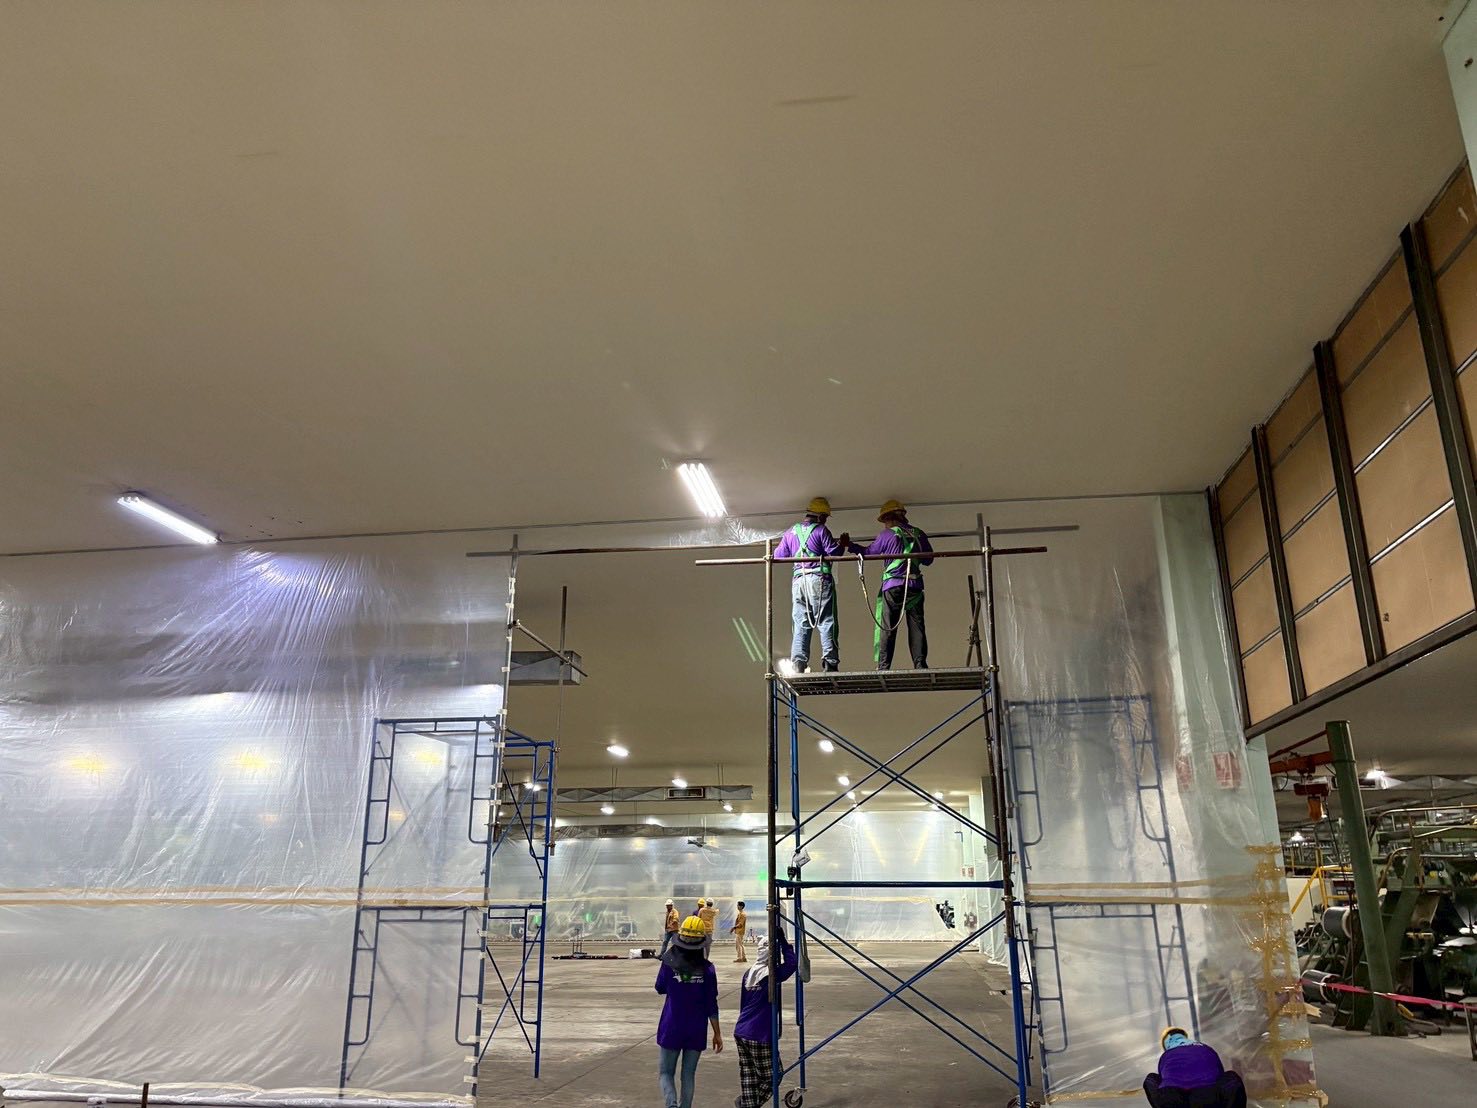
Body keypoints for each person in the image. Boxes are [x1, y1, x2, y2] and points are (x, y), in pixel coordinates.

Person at [850, 500, 933, 670]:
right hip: (914, 586)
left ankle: (884, 666)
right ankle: (920, 663)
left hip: (893, 586)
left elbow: (868, 552)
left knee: (888, 627)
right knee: (917, 627)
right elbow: (928, 559)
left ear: (891, 518)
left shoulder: (886, 535)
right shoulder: (919, 534)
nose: (885, 525)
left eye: (885, 521)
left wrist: (850, 546)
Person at [772, 497, 849, 673]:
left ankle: (798, 663)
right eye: (825, 517)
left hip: (799, 581)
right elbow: (834, 553)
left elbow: (778, 555)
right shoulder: (821, 530)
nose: (825, 520)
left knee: (801, 623)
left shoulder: (791, 532)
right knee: (826, 621)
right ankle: (830, 663)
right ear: (820, 516)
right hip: (818, 579)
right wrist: (842, 545)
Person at [655, 915, 723, 1108]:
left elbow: (660, 987)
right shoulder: (708, 970)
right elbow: (711, 1004)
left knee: (666, 1073)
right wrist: (717, 1033)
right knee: (688, 1074)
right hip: (696, 1028)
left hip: (671, 1026)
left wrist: (679, 982)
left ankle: (671, 1105)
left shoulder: (668, 963)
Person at [733, 925, 799, 1108]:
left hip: (741, 1031)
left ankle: (747, 1102)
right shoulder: (771, 975)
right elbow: (792, 964)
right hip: (759, 1034)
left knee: (749, 1076)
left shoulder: (748, 974)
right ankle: (749, 1105)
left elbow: (743, 1003)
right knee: (773, 1076)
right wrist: (784, 942)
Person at [1142, 1027, 1246, 1107]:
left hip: (1172, 1099)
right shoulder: (1206, 1049)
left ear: (1167, 1045)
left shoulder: (1166, 1056)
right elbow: (1220, 1074)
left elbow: (1162, 1078)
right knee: (1231, 1076)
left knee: (1151, 1078)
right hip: (1208, 1097)